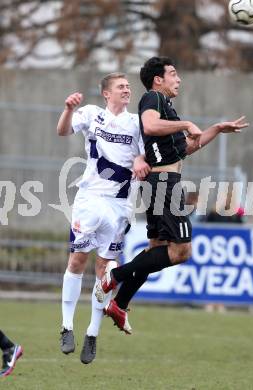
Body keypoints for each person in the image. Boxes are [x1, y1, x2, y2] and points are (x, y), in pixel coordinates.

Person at [95, 56, 249, 332]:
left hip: (160, 181)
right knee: (181, 251)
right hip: (165, 183)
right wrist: (186, 123)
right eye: (173, 74)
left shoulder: (167, 107)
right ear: (158, 79)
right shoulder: (153, 98)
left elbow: (187, 148)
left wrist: (216, 129)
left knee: (156, 249)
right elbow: (150, 125)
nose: (178, 79)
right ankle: (114, 276)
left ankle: (119, 304)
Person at [56, 72, 150, 364]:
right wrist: (69, 108)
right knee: (77, 260)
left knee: (106, 270)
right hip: (90, 200)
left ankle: (92, 333)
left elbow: (148, 156)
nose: (127, 90)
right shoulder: (92, 114)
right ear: (106, 93)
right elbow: (63, 130)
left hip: (120, 205)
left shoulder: (137, 123)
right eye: (121, 87)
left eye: (128, 86)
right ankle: (67, 326)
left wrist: (139, 159)